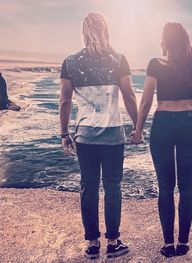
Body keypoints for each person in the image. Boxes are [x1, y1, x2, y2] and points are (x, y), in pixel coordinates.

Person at [59, 13, 138, 259]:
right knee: (113, 187)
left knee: (88, 186)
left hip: (85, 137)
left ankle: (92, 243)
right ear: (106, 31)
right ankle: (113, 242)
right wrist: (138, 127)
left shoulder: (70, 63)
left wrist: (64, 133)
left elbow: (64, 101)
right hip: (113, 136)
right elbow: (129, 95)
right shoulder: (118, 60)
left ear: (84, 32)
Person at [130, 22, 192, 257]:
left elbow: (145, 101)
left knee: (166, 187)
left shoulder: (155, 64)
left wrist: (138, 129)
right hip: (187, 123)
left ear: (165, 41)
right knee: (186, 187)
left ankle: (167, 244)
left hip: (162, 123)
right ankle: (183, 243)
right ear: (186, 41)